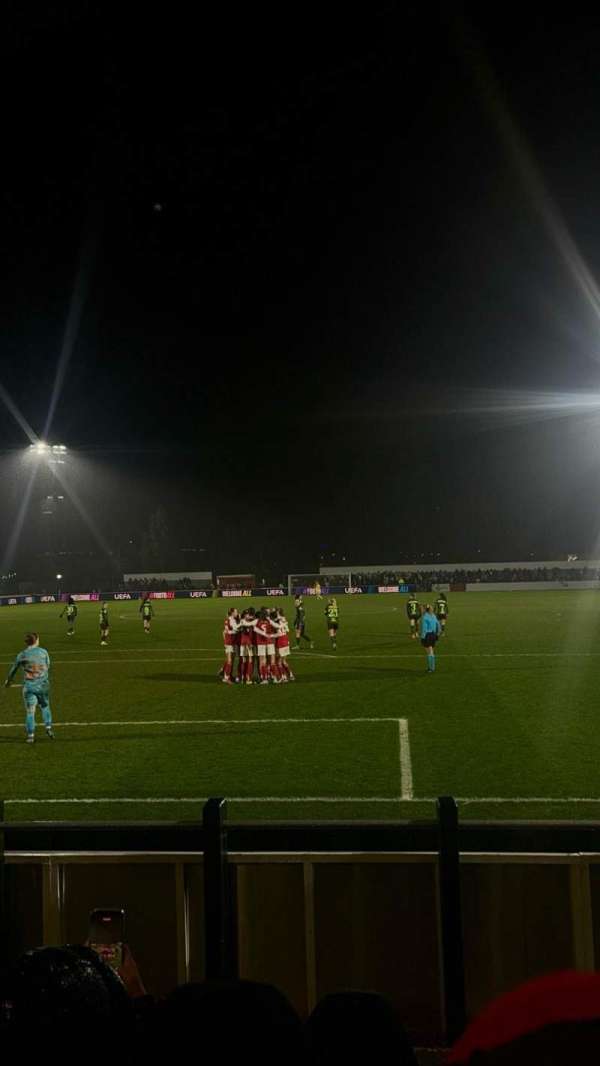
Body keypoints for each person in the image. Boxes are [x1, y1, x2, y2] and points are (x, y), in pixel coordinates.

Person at [4, 632, 55, 743]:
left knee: (30, 711)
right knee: (45, 706)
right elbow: (48, 665)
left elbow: (13, 670)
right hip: (43, 685)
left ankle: (31, 736)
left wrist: (8, 681)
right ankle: (48, 727)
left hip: (29, 687)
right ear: (36, 640)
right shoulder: (43, 651)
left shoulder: (22, 655)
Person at [420, 604, 441, 672]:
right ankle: (432, 667)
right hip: (433, 635)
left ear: (425, 610)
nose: (421, 610)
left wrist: (423, 637)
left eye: (422, 609)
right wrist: (438, 634)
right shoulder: (433, 615)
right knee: (431, 651)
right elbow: (438, 625)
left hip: (427, 635)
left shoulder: (425, 617)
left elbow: (424, 629)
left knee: (429, 652)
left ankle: (430, 668)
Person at [221, 608, 240, 684]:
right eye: (236, 612)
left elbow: (226, 631)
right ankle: (226, 678)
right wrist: (239, 626)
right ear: (232, 613)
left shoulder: (232, 620)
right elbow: (227, 631)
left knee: (231, 660)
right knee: (229, 660)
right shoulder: (229, 620)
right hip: (229, 642)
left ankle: (227, 673)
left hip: (232, 642)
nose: (237, 613)